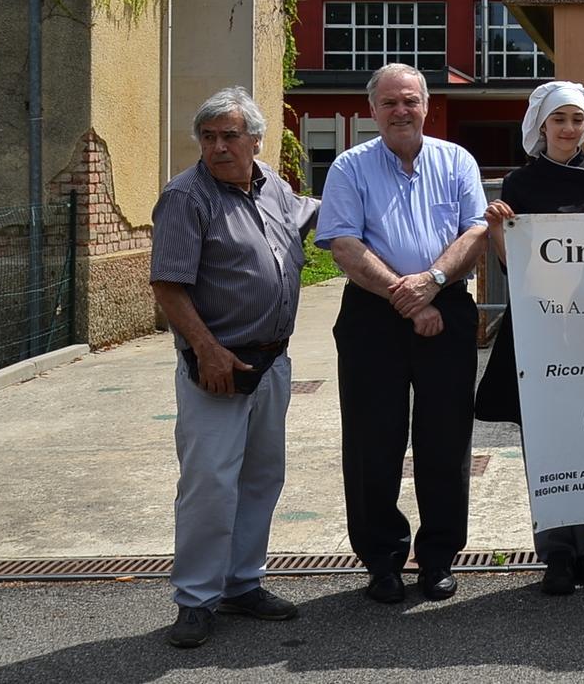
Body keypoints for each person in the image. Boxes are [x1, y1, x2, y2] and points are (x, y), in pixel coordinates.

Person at [151, 87, 319, 648]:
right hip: (218, 364)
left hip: (272, 362)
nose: (218, 147)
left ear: (255, 140)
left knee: (261, 477)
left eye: (230, 136)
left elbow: (306, 217)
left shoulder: (272, 184)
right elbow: (168, 287)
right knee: (209, 484)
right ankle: (196, 600)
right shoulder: (186, 196)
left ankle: (243, 584)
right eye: (208, 137)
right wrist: (205, 348)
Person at [315, 64, 487, 605]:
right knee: (373, 442)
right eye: (389, 103)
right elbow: (343, 244)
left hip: (447, 307)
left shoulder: (456, 160)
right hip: (372, 318)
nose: (400, 111)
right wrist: (407, 298)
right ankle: (382, 561)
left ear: (427, 105)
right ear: (372, 110)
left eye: (409, 101)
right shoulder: (349, 167)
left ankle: (437, 558)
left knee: (445, 440)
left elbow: (476, 231)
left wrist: (432, 284)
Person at [474, 81, 584, 596]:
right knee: (544, 443)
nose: (568, 129)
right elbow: (509, 264)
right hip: (538, 328)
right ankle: (555, 553)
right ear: (542, 125)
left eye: (576, 121)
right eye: (559, 120)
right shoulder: (519, 181)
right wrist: (498, 228)